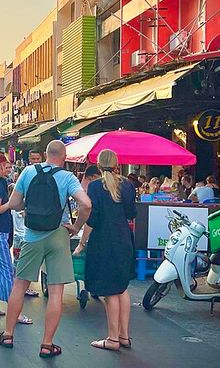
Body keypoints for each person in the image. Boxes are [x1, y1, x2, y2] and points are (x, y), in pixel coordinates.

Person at [0, 140, 91, 359]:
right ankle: (47, 344)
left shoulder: (28, 172)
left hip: (32, 235)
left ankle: (8, 334)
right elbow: (86, 204)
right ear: (64, 157)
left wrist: (28, 205)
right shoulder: (67, 177)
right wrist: (75, 227)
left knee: (19, 285)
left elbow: (16, 203)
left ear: (46, 154)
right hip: (58, 234)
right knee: (56, 291)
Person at [83, 149, 137, 352]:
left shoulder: (95, 187)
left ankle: (113, 338)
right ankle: (124, 336)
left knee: (110, 292)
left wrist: (81, 241)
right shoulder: (128, 185)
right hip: (124, 240)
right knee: (122, 288)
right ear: (117, 164)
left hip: (103, 241)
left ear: (98, 165)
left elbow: (93, 218)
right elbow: (132, 213)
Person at [0, 152, 33, 323]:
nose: (9, 168)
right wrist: (11, 203)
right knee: (6, 269)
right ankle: (15, 311)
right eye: (7, 165)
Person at [73, 165, 102, 255]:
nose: (89, 182)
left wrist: (81, 243)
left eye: (89, 179)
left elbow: (91, 218)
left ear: (95, 176)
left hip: (99, 236)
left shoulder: (95, 188)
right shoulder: (123, 185)